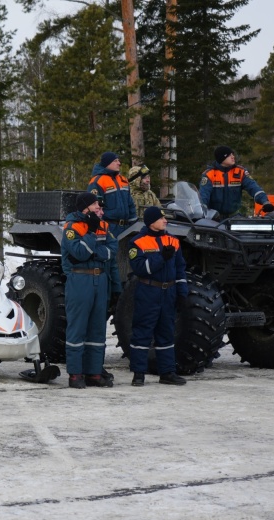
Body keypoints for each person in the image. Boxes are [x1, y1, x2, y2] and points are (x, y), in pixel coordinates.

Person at [61, 192, 122, 389]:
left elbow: (112, 251)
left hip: (101, 279)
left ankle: (94, 373)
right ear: (85, 207)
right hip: (80, 279)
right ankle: (75, 374)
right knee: (77, 328)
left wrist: (115, 287)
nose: (99, 207)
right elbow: (78, 253)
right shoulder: (72, 227)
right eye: (95, 204)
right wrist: (91, 237)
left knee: (97, 329)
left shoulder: (103, 225)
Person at [128, 206, 188, 386]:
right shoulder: (137, 242)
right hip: (148, 292)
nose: (165, 221)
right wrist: (161, 257)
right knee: (142, 332)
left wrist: (182, 293)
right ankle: (139, 373)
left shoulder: (173, 241)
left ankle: (167, 372)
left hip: (168, 292)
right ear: (151, 222)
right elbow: (140, 268)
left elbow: (180, 268)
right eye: (161, 219)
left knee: (166, 332)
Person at [199, 146, 274, 219]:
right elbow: (203, 195)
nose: (233, 157)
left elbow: (254, 188)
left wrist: (265, 202)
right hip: (214, 218)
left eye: (233, 154)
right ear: (222, 158)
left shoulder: (240, 172)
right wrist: (202, 211)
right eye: (229, 155)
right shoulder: (209, 174)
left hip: (234, 217)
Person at [87, 151, 137, 238]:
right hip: (110, 227)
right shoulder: (98, 181)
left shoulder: (123, 180)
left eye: (118, 160)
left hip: (127, 227)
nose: (119, 163)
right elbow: (93, 207)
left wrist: (134, 224)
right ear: (107, 163)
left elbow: (130, 204)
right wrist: (100, 227)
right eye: (115, 161)